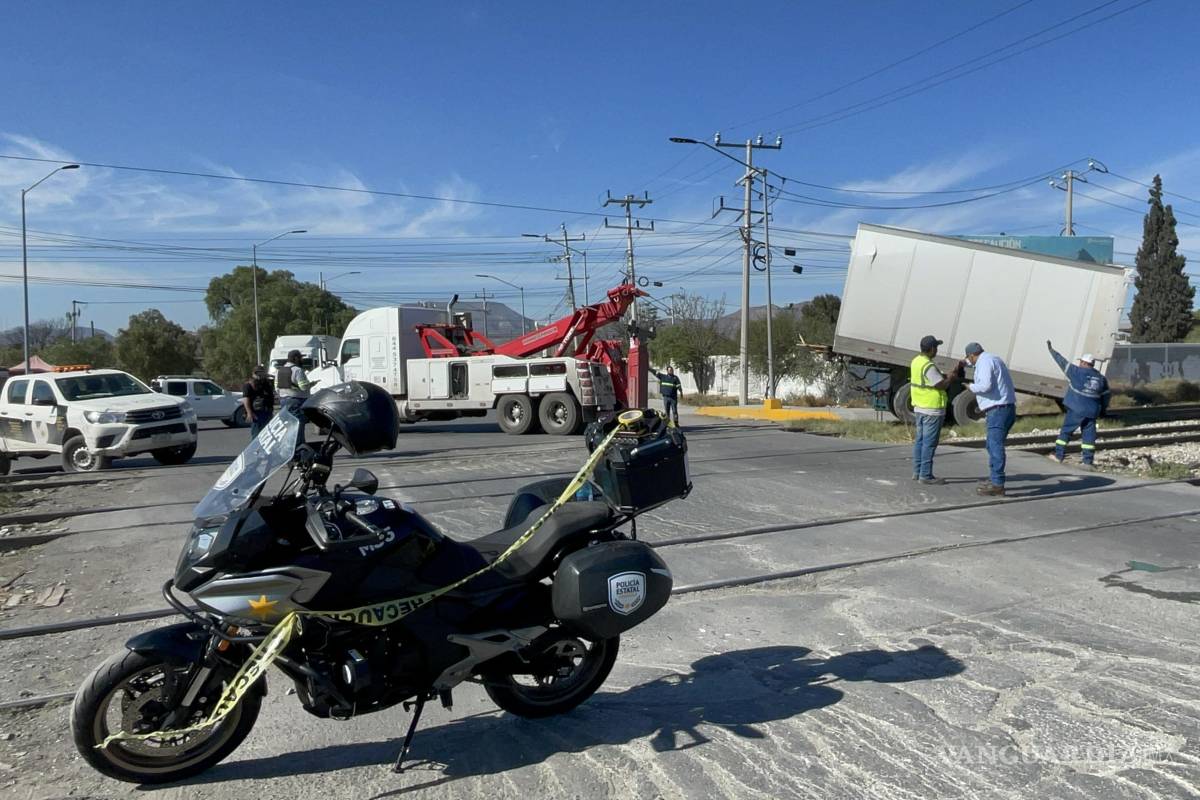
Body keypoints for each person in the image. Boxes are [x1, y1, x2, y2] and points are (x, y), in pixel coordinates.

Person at [1046, 341, 1110, 470]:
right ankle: (1088, 461)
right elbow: (1106, 396)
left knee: (1066, 432)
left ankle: (1058, 455)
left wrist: (1052, 351)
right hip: (1092, 411)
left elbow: (1062, 362)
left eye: (1081, 362)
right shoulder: (1101, 379)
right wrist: (1102, 409)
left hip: (1076, 409)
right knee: (1089, 437)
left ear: (1084, 363)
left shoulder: (1076, 372)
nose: (1079, 363)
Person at [964, 342, 1016, 496]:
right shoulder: (994, 358)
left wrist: (970, 387)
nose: (970, 361)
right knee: (992, 445)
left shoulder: (984, 362)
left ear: (972, 355)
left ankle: (998, 484)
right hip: (1006, 408)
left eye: (969, 358)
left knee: (994, 446)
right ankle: (995, 479)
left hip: (997, 409)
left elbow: (986, 385)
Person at [909, 335, 959, 485]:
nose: (937, 350)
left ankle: (917, 472)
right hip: (932, 408)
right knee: (929, 443)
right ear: (931, 349)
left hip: (919, 407)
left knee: (920, 441)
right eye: (936, 347)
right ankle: (926, 475)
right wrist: (950, 377)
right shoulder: (928, 366)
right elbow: (940, 385)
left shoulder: (916, 361)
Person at [276, 349, 312, 444]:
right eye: (300, 358)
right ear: (295, 358)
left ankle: (289, 447)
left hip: (284, 401)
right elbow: (303, 387)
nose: (301, 360)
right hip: (296, 401)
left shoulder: (280, 370)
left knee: (289, 427)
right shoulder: (298, 370)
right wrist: (310, 384)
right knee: (298, 426)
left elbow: (277, 387)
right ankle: (299, 448)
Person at [242, 365, 275, 438]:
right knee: (256, 435)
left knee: (267, 435)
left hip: (266, 412)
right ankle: (255, 449)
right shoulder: (249, 385)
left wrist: (271, 411)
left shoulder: (266, 384)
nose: (260, 375)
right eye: (258, 373)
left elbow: (270, 396)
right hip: (256, 414)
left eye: (262, 373)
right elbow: (245, 399)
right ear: (253, 374)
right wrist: (249, 413)